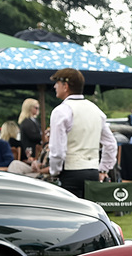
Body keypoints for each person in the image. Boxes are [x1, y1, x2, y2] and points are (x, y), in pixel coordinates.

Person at [48, 68, 118, 198]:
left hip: (70, 173)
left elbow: (57, 150)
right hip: (92, 172)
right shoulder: (96, 110)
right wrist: (103, 168)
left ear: (65, 86)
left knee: (69, 216)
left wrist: (55, 171)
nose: (54, 86)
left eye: (57, 83)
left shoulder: (61, 111)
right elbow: (111, 144)